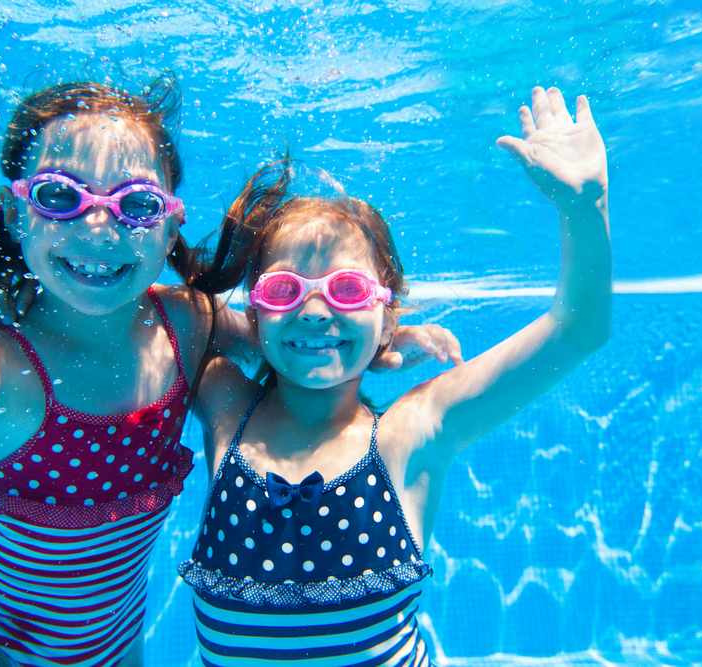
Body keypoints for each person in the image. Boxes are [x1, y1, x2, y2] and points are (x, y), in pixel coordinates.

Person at [0, 19, 461, 667]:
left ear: (170, 220)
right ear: (15, 210)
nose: (99, 225)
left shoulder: (189, 325)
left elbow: (282, 336)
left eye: (135, 204)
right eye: (60, 196)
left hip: (116, 645)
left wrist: (378, 328)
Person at [178, 86, 612, 666]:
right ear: (253, 312)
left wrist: (584, 210)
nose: (312, 311)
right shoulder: (225, 402)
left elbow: (577, 331)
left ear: (389, 312)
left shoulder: (412, 432)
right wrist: (363, 338)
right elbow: (167, 314)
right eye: (285, 290)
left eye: (347, 290)